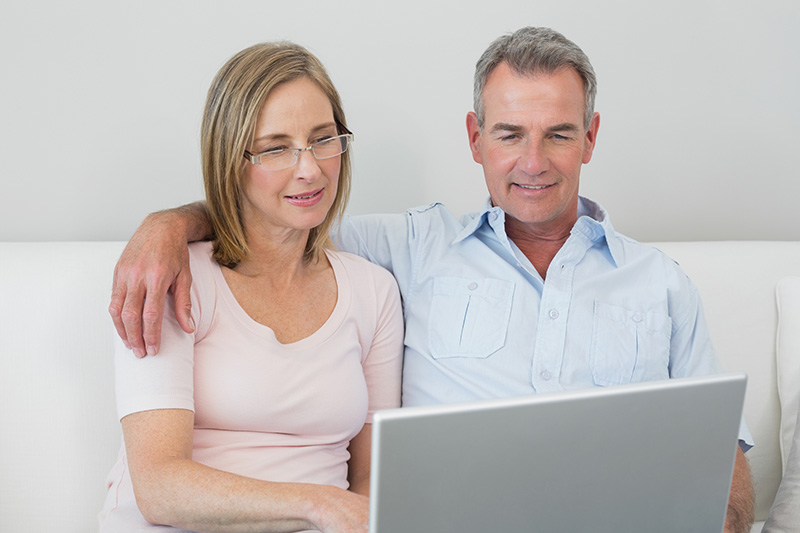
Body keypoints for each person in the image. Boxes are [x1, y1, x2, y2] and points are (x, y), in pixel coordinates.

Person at [108, 28, 755, 532]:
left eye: (558, 134)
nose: (533, 162)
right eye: (509, 134)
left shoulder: (662, 283)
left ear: (589, 138)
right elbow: (281, 215)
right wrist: (168, 224)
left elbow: (724, 455)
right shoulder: (409, 249)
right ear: (475, 138)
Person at [98, 41, 404, 532]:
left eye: (324, 139)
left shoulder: (373, 292)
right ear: (230, 160)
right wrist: (317, 503)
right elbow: (157, 487)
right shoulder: (174, 276)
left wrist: (339, 512)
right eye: (275, 148)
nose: (310, 168)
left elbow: (373, 477)